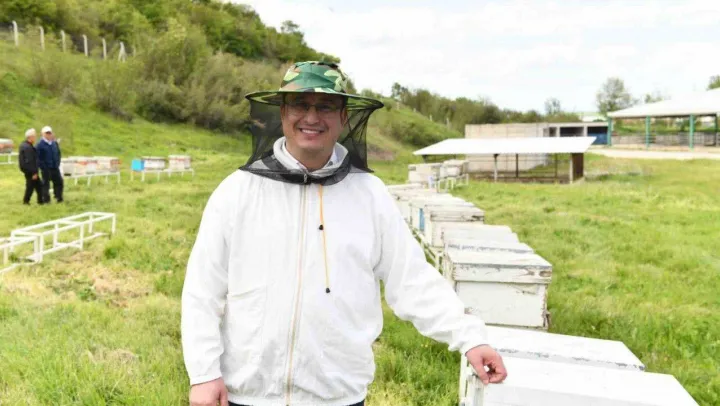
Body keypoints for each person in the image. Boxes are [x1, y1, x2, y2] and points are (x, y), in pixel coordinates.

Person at [182, 61, 507, 406]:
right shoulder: (238, 191)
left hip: (337, 395)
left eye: (325, 106)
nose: (311, 117)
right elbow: (204, 288)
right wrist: (203, 373)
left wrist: (469, 338)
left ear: (343, 117)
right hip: (249, 394)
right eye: (300, 104)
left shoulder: (370, 195)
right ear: (282, 112)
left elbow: (410, 278)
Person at [36, 125, 63, 203]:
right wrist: (43, 167)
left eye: (49, 133)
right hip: (46, 168)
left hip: (55, 167)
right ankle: (46, 200)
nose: (48, 134)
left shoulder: (54, 143)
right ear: (43, 134)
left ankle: (58, 197)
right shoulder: (40, 145)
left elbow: (58, 153)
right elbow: (38, 158)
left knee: (59, 182)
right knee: (46, 184)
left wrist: (57, 163)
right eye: (47, 133)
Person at [18, 128, 43, 205]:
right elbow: (30, 161)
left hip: (27, 170)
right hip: (31, 171)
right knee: (31, 186)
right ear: (30, 137)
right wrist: (34, 173)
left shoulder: (24, 145)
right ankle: (27, 201)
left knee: (36, 186)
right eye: (34, 136)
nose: (35, 138)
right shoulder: (28, 148)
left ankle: (39, 201)